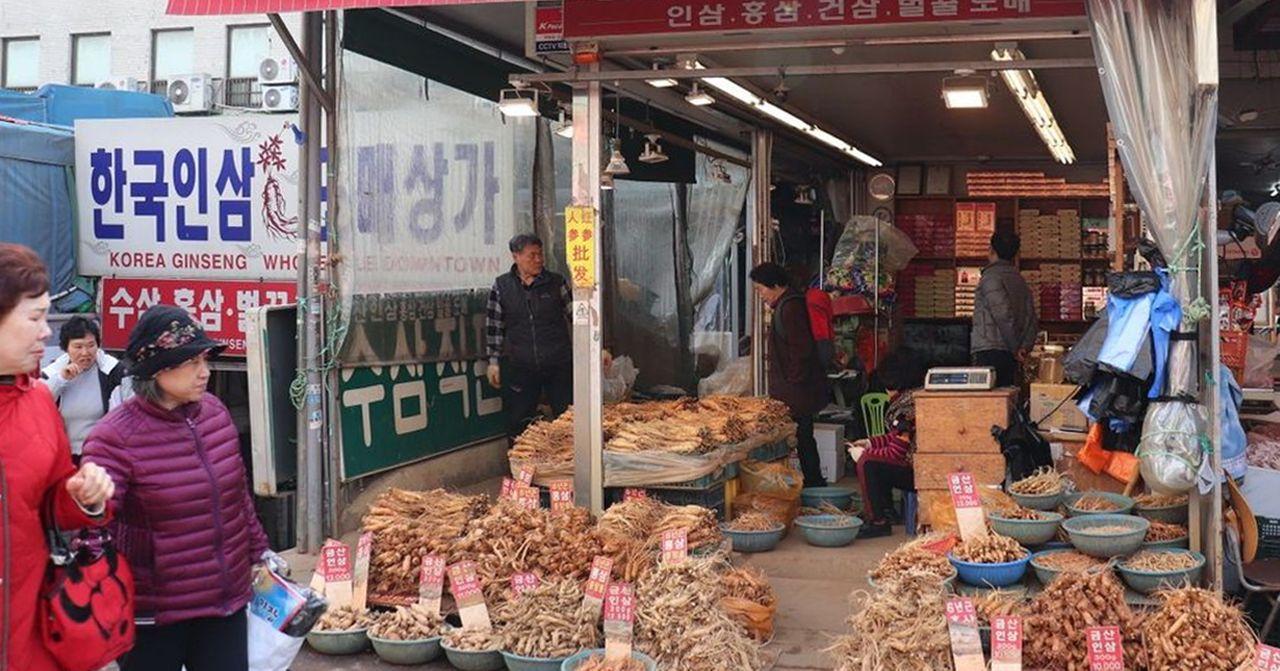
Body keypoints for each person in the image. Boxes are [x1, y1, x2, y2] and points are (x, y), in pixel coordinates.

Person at [84, 305, 279, 671]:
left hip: (225, 604)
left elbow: (238, 498)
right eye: (191, 363)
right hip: (155, 618)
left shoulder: (215, 415)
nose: (205, 372)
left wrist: (260, 553)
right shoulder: (114, 437)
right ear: (157, 370)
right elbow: (94, 530)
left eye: (205, 359)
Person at [0, 243, 115, 671]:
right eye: (34, 318)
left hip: (29, 640)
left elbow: (49, 503)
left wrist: (82, 495)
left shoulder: (37, 403)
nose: (48, 332)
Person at [750, 262, 830, 489]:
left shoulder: (791, 308)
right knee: (803, 437)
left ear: (775, 285)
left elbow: (801, 350)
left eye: (760, 289)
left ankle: (814, 483)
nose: (760, 295)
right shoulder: (786, 305)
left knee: (802, 437)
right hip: (795, 389)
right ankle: (812, 482)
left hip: (797, 391)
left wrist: (793, 384)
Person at [486, 234, 574, 439]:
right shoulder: (502, 287)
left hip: (558, 363)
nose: (538, 260)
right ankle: (520, 468)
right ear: (515, 256)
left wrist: (598, 346)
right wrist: (493, 362)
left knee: (568, 418)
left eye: (540, 255)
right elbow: (494, 326)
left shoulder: (556, 282)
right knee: (519, 421)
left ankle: (571, 467)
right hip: (522, 365)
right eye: (532, 255)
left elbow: (578, 317)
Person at [847, 350, 925, 538]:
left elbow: (896, 453)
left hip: (919, 473)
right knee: (872, 459)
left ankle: (878, 521)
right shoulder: (915, 398)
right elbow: (894, 437)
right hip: (918, 468)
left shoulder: (906, 409)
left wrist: (864, 455)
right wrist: (869, 443)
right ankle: (887, 511)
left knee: (869, 464)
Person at [41, 316, 130, 461]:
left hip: (103, 455)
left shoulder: (113, 371)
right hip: (63, 456)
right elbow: (39, 403)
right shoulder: (52, 373)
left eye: (91, 345)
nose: (85, 352)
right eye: (78, 346)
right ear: (66, 348)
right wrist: (61, 379)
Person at [972, 230, 1038, 387]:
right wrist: (1024, 347)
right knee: (1008, 399)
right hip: (1012, 352)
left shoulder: (991, 278)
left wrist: (1015, 348)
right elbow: (1032, 318)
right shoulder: (1019, 279)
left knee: (989, 403)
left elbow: (1003, 314)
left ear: (991, 250)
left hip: (990, 349)